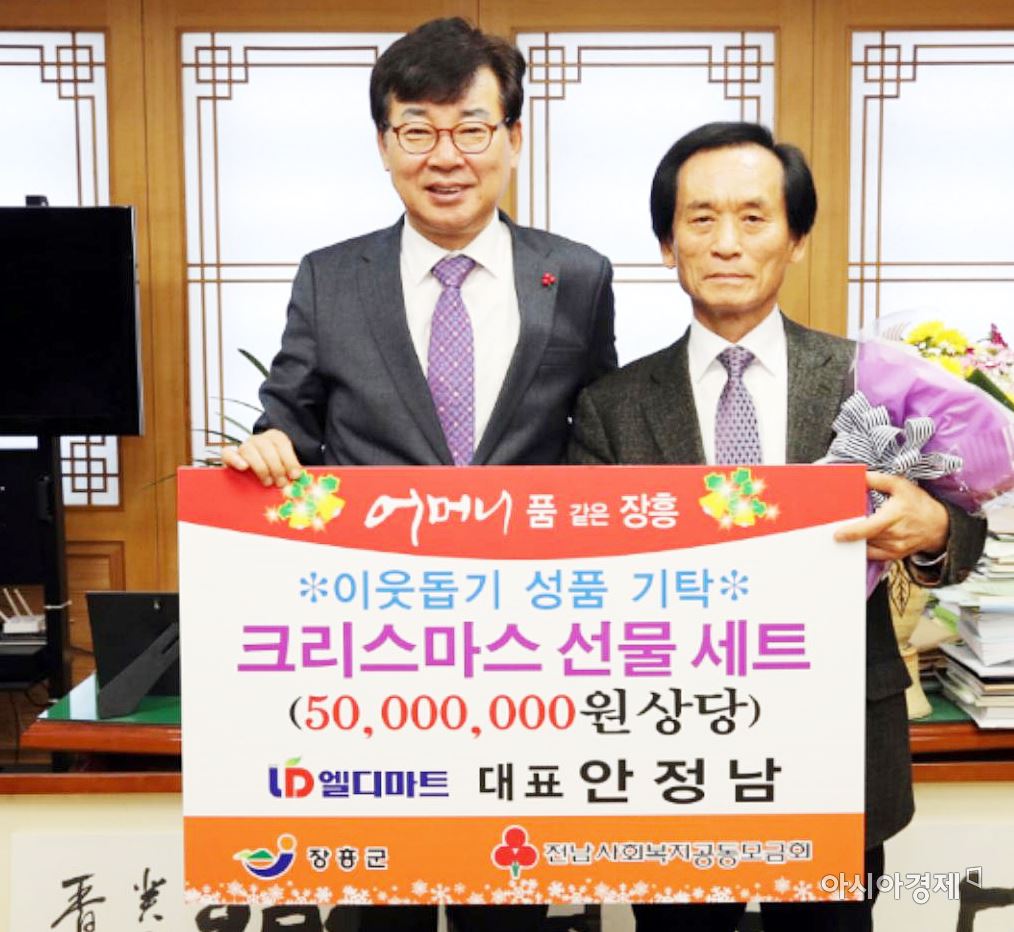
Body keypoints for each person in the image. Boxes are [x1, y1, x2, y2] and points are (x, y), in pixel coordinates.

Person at [223, 16, 616, 932]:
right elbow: (289, 417)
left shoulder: (578, 275)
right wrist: (265, 445)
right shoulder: (330, 278)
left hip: (525, 649)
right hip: (380, 648)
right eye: (417, 130)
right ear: (383, 144)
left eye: (471, 128)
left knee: (508, 905)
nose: (446, 157)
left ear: (512, 138)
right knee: (384, 904)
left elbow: (599, 435)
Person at [568, 122, 985, 932]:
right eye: (701, 218)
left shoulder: (869, 378)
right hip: (674, 746)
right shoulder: (611, 405)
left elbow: (964, 538)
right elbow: (584, 570)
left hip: (838, 740)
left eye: (754, 217)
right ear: (667, 244)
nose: (727, 242)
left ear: (796, 239)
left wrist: (932, 525)